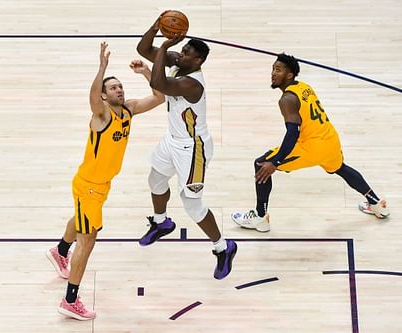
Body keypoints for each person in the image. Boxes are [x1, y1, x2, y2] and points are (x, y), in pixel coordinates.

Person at [46, 41, 164, 320]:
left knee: (82, 220)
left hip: (100, 185)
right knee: (88, 239)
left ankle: (60, 251)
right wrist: (101, 69)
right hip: (88, 185)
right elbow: (92, 100)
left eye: (120, 86)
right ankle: (70, 300)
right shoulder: (101, 115)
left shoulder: (128, 110)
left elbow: (159, 97)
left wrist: (146, 71)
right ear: (102, 95)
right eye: (113, 87)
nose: (119, 90)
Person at [231, 53, 389, 232]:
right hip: (330, 140)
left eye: (278, 70)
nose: (273, 73)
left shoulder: (287, 99)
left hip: (312, 147)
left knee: (261, 164)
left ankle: (260, 218)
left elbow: (292, 133)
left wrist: (275, 162)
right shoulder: (304, 87)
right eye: (273, 69)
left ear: (289, 75)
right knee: (340, 168)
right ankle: (376, 203)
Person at [136, 15, 237, 280]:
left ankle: (223, 247)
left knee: (192, 204)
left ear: (198, 61)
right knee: (156, 180)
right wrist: (156, 26)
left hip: (194, 149)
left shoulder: (193, 84)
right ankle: (161, 222)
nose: (181, 54)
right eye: (182, 50)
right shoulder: (180, 63)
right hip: (172, 139)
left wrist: (167, 48)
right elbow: (143, 50)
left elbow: (159, 84)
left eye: (187, 53)